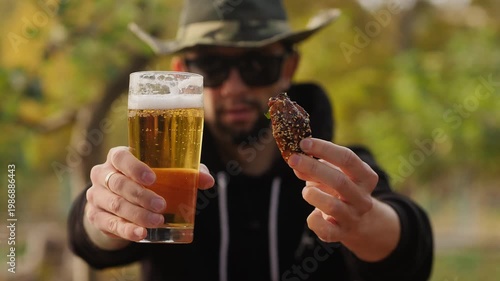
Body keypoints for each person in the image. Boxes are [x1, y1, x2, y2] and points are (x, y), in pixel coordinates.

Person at [68, 0, 433, 280]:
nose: (234, 87)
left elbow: (409, 253)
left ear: (288, 69)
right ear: (184, 73)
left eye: (257, 65)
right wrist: (106, 216)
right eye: (211, 66)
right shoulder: (159, 168)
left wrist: (365, 224)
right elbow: (92, 243)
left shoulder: (338, 172)